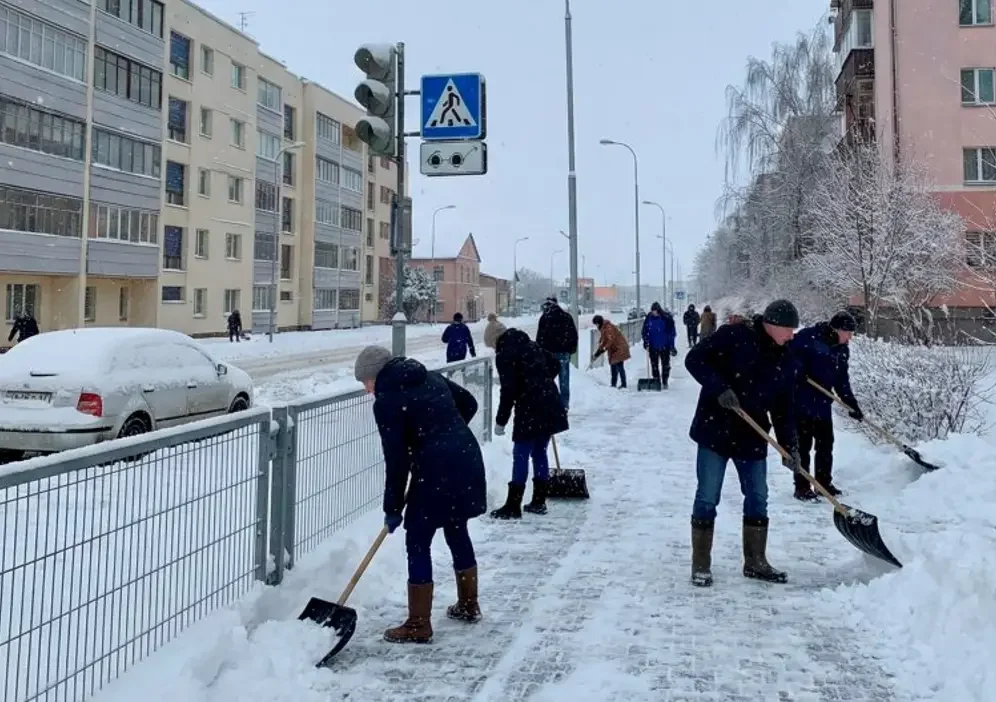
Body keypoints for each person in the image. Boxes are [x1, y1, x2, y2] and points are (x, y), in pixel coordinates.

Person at [354, 345, 487, 644]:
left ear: (376, 375)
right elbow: (469, 402)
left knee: (417, 538)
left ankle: (418, 623)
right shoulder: (428, 376)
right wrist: (446, 433)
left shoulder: (387, 401)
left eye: (366, 382)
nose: (367, 390)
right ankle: (468, 604)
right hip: (465, 456)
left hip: (436, 469)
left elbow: (396, 459)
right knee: (456, 527)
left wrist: (393, 506)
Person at [683, 299, 801, 588]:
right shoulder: (733, 336)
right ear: (772, 325)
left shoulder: (786, 357)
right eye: (789, 329)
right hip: (716, 430)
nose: (792, 335)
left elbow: (784, 408)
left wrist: (790, 446)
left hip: (753, 434)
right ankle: (701, 564)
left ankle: (755, 562)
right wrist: (719, 388)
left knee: (759, 496)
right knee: (708, 496)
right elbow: (694, 360)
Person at [490, 326, 569, 519]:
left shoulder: (504, 355)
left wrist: (501, 421)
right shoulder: (532, 346)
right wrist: (541, 380)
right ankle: (539, 501)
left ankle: (513, 505)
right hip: (549, 401)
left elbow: (508, 391)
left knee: (521, 453)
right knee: (539, 451)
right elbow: (555, 364)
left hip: (530, 406)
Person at [788, 311, 861, 501]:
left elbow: (841, 380)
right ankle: (802, 486)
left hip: (822, 404)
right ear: (838, 329)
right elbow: (788, 356)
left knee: (825, 445)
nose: (850, 338)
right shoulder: (808, 338)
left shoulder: (842, 350)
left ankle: (823, 483)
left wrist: (850, 403)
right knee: (803, 447)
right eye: (848, 333)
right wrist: (799, 371)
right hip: (801, 401)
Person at [536, 297, 579, 410]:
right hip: (564, 353)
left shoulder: (544, 318)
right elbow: (573, 336)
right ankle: (564, 405)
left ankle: (548, 404)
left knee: (547, 380)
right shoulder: (567, 317)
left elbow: (540, 338)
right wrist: (571, 350)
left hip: (548, 354)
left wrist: (540, 352)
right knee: (564, 381)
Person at [640, 302, 677, 387]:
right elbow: (644, 331)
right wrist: (646, 341)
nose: (654, 313)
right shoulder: (648, 318)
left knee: (666, 365)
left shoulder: (666, 319)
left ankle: (665, 380)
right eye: (653, 311)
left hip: (665, 345)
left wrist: (672, 346)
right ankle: (656, 381)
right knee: (654, 365)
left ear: (659, 310)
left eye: (656, 311)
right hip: (653, 346)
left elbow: (672, 333)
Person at [591, 315, 632, 388]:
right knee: (614, 366)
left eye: (596, 324)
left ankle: (623, 384)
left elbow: (610, 340)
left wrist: (603, 349)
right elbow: (604, 342)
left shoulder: (608, 328)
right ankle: (614, 384)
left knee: (619, 366)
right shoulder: (604, 328)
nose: (596, 326)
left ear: (599, 322)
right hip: (615, 349)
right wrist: (597, 353)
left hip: (620, 348)